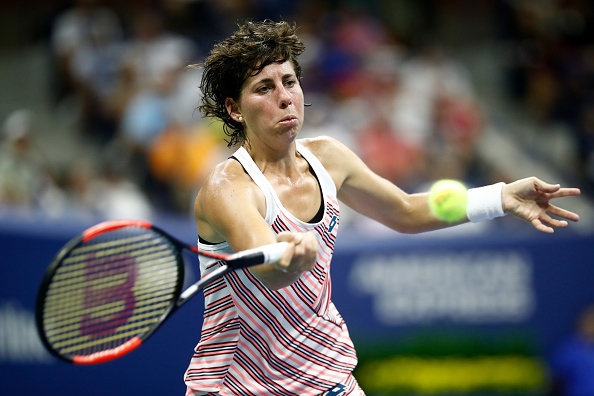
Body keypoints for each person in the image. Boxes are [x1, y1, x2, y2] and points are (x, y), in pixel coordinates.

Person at [184, 20, 581, 396]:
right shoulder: (228, 187)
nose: (285, 97)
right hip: (236, 386)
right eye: (264, 88)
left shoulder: (330, 159)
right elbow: (267, 268)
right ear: (235, 109)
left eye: (289, 82)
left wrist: (498, 198)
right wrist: (292, 259)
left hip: (329, 377)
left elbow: (406, 210)